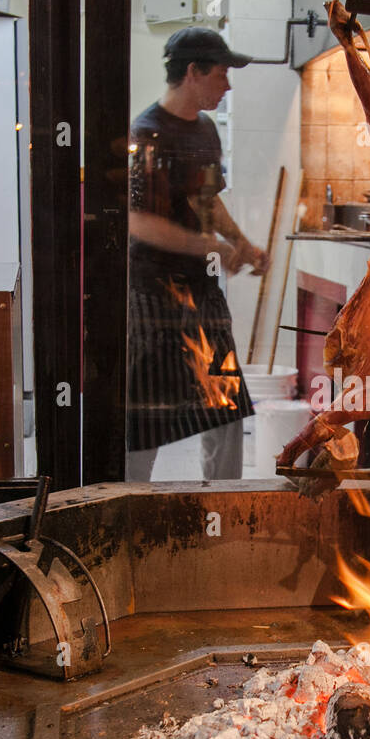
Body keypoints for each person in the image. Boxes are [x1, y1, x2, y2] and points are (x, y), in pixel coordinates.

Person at [126, 27, 269, 481]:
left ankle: (223, 504)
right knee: (145, 414)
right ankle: (126, 504)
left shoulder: (205, 130)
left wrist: (241, 241)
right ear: (194, 72)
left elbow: (207, 199)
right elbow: (138, 221)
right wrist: (210, 245)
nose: (227, 86)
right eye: (223, 74)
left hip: (200, 291)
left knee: (225, 405)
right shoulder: (147, 134)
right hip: (150, 294)